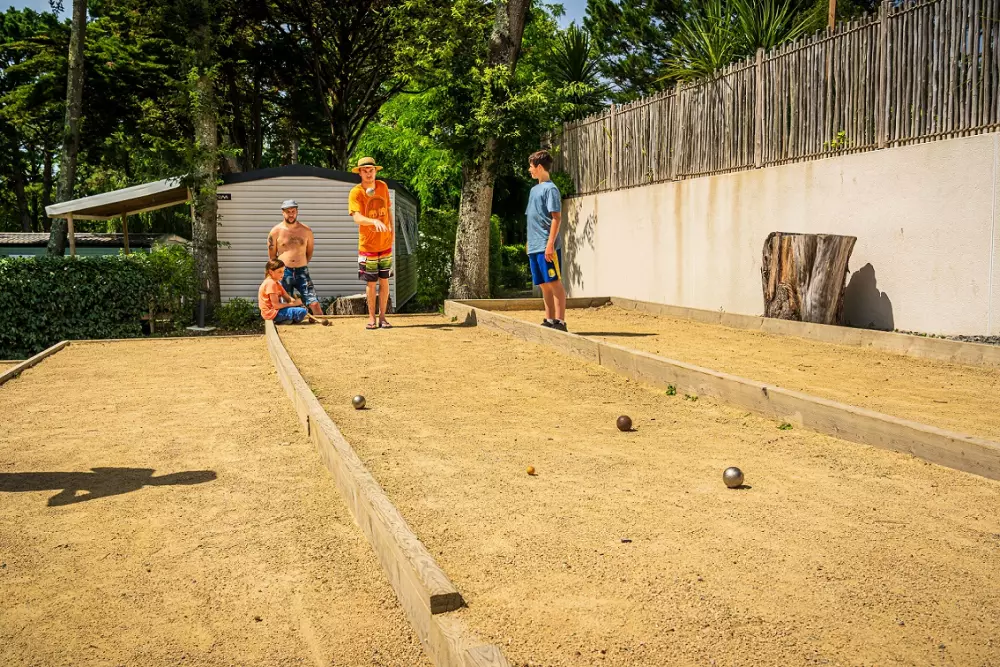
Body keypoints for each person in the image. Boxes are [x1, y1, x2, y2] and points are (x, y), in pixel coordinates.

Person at [348, 156, 394, 330]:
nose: (368, 174)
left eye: (371, 170)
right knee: (371, 283)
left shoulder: (383, 186)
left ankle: (383, 318)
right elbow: (356, 218)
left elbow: (388, 210)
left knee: (385, 281)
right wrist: (373, 221)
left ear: (375, 171)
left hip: (385, 244)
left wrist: (392, 231)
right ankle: (371, 318)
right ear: (360, 173)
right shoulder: (356, 192)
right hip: (368, 246)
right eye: (365, 171)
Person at [526, 149, 568, 331]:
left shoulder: (550, 189)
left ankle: (560, 322)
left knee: (554, 282)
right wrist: (529, 241)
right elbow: (533, 218)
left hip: (546, 245)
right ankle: (549, 319)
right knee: (543, 284)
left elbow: (556, 217)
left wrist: (550, 244)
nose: (529, 170)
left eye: (531, 166)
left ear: (540, 167)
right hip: (534, 246)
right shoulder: (534, 190)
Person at [267, 199, 323, 317]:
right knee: (286, 303)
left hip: (302, 271)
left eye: (293, 211)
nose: (291, 214)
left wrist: (300, 262)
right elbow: (272, 257)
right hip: (284, 272)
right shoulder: (275, 232)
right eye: (288, 212)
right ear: (283, 212)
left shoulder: (306, 230)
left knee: (314, 302)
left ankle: (322, 324)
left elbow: (309, 252)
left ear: (297, 212)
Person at [258, 258, 324, 325]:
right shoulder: (270, 283)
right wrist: (293, 304)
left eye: (283, 271)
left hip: (275, 312)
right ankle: (285, 320)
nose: (282, 274)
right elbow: (276, 305)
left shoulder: (277, 283)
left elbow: (288, 298)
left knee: (301, 310)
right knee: (301, 312)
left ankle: (288, 320)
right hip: (271, 313)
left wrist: (298, 303)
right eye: (280, 272)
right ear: (271, 272)